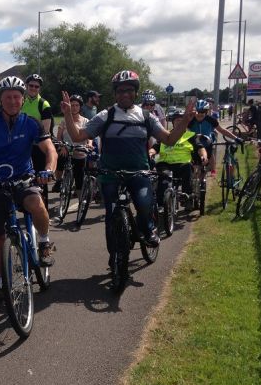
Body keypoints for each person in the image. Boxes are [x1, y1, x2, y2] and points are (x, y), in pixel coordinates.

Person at [61, 70, 195, 274]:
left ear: (135, 92)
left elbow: (168, 139)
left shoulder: (146, 116)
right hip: (109, 174)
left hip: (139, 172)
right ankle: (114, 253)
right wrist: (68, 115)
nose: (125, 94)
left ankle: (149, 228)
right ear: (115, 93)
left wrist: (185, 120)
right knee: (111, 214)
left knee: (143, 202)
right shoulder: (106, 116)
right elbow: (78, 135)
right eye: (121, 90)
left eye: (129, 90)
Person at [0, 76, 57, 306]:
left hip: (23, 180)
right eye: (7, 97)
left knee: (37, 205)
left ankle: (44, 242)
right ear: (0, 99)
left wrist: (48, 170)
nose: (12, 101)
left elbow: (50, 151)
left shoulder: (32, 123)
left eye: (16, 96)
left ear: (23, 99)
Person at [152, 111, 208, 209]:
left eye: (182, 120)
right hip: (165, 164)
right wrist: (151, 152)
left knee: (187, 168)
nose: (180, 122)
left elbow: (200, 148)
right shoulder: (166, 134)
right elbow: (155, 147)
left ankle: (186, 198)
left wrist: (204, 156)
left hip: (182, 164)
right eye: (177, 120)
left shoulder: (190, 135)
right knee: (162, 179)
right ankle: (160, 204)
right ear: (173, 122)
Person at [21, 74, 54, 205]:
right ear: (26, 86)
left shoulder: (43, 104)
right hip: (23, 147)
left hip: (38, 147)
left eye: (37, 86)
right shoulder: (21, 101)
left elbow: (45, 130)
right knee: (22, 179)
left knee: (41, 179)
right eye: (31, 86)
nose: (33, 88)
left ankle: (43, 209)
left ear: (39, 88)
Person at [188, 99, 241, 176]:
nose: (199, 114)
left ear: (206, 112)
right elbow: (182, 131)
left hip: (207, 141)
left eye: (202, 112)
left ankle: (213, 170)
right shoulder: (191, 121)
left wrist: (236, 138)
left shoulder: (210, 120)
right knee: (193, 165)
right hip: (194, 143)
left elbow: (222, 130)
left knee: (210, 154)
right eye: (198, 112)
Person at [54, 94, 92, 194]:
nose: (74, 108)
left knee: (79, 178)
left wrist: (89, 144)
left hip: (80, 151)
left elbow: (89, 137)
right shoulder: (64, 120)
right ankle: (58, 181)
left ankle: (80, 204)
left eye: (77, 105)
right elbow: (59, 137)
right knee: (61, 158)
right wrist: (61, 146)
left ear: (80, 107)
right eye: (72, 105)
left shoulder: (85, 121)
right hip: (67, 148)